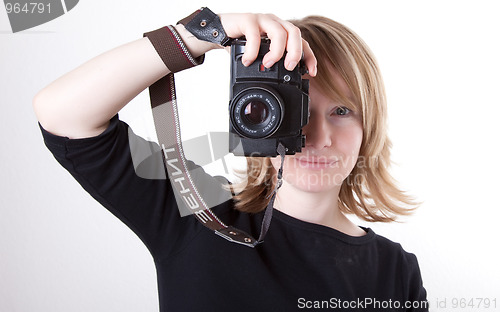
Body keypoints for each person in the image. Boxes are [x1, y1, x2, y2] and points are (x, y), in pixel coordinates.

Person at [33, 8, 428, 312]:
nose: (318, 137)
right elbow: (63, 116)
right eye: (296, 110)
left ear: (369, 126)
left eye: (342, 111)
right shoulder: (199, 213)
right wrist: (203, 33)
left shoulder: (396, 272)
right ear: (255, 115)